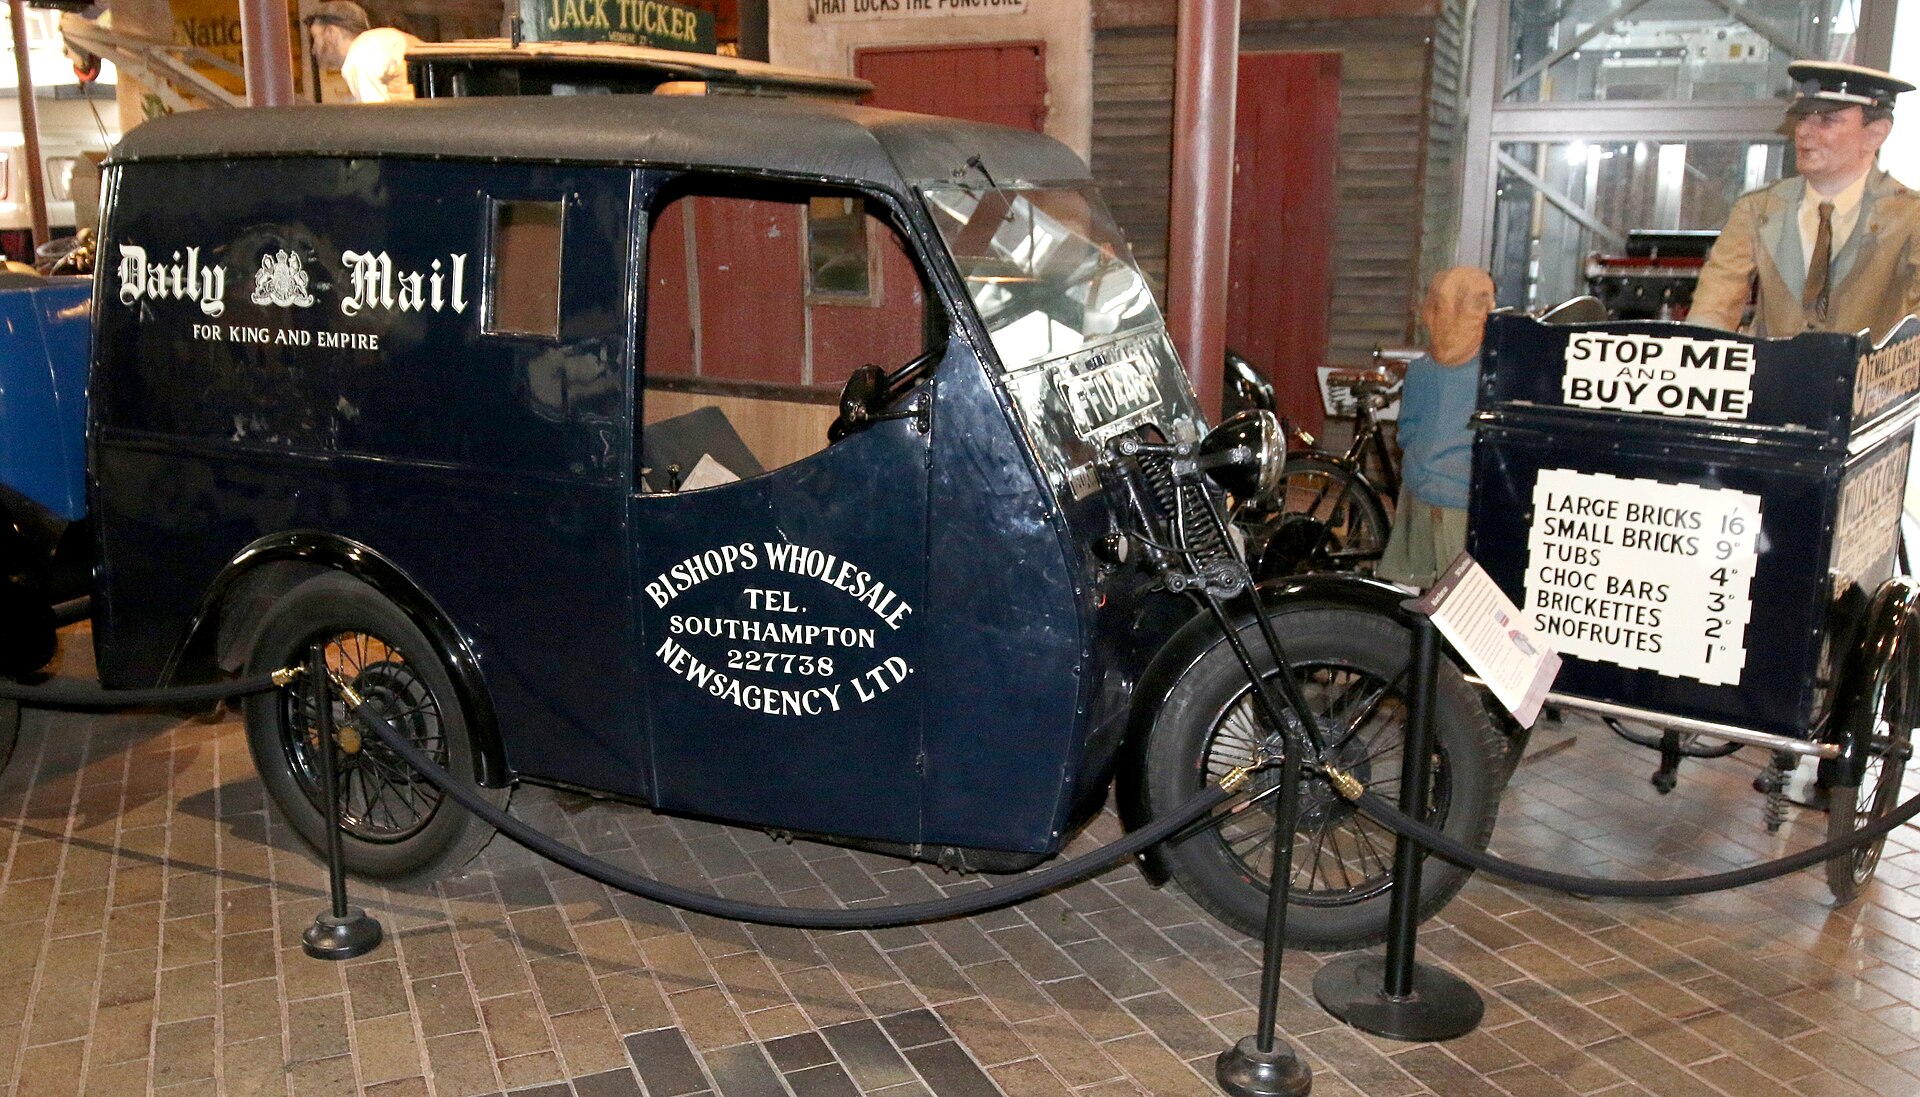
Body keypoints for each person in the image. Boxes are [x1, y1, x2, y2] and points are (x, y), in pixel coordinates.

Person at [1690, 61, 1919, 342]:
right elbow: (1714, 306)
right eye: (1802, 118)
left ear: (1875, 134)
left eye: (1827, 120)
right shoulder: (1758, 209)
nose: (1804, 132)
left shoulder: (1911, 217)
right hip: (1771, 382)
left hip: (1869, 384)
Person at [1375, 266, 1496, 588]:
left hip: (1418, 493)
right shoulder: (1493, 374)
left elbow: (1407, 431)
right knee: (1463, 593)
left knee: (1413, 583)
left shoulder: (1420, 371)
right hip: (1467, 501)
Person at [303, 1, 421, 103]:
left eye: (315, 38)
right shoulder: (376, 43)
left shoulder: (359, 55)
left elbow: (375, 119)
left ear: (331, 33)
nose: (313, 50)